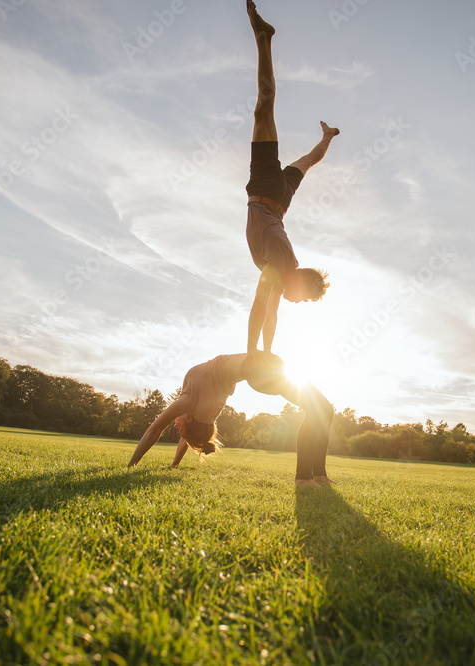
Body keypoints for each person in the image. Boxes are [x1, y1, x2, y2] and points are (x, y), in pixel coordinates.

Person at [245, 0, 340, 355]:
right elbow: (261, 303)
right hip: (268, 190)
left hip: (278, 200)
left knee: (310, 161)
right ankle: (263, 38)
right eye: (304, 298)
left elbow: (271, 311)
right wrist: (254, 353)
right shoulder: (283, 263)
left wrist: (267, 353)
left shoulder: (281, 274)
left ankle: (328, 136)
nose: (298, 303)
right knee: (263, 107)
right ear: (300, 280)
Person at [127, 352, 334, 487]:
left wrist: (170, 465)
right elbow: (156, 430)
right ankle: (305, 478)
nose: (175, 424)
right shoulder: (190, 405)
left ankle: (318, 475)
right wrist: (131, 466)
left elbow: (174, 434)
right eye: (178, 428)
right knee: (319, 408)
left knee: (324, 410)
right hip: (259, 370)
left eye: (178, 428)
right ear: (190, 421)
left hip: (260, 368)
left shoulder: (200, 414)